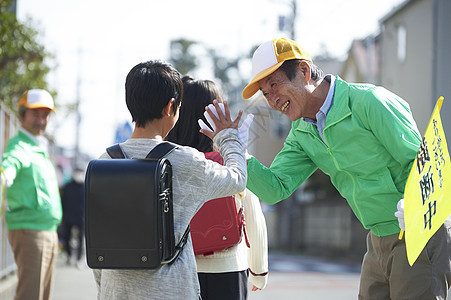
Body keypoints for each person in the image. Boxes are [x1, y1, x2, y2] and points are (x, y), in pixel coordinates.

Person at [225, 37, 450, 299]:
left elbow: (423, 162)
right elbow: (275, 188)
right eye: (265, 94)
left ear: (304, 71)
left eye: (274, 85)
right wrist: (238, 153)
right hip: (376, 239)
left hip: (420, 232)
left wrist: (414, 206)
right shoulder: (301, 132)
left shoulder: (369, 101)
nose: (272, 100)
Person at [92, 60, 248, 300]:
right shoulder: (185, 161)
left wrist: (106, 291)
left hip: (116, 291)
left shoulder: (103, 162)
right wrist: (227, 137)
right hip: (172, 292)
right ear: (170, 107)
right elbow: (237, 178)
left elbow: (97, 241)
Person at [166, 75, 268, 299]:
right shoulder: (232, 158)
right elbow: (253, 215)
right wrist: (259, 271)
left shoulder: (167, 161)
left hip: (178, 268)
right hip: (229, 268)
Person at [1, 89, 62, 300]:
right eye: (36, 113)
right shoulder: (19, 145)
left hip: (46, 231)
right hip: (30, 230)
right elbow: (10, 162)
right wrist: (5, 174)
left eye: (45, 115)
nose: (42, 120)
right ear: (21, 115)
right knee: (30, 295)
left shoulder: (39, 146)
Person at [60, 168, 85, 267]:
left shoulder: (85, 187)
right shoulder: (68, 187)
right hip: (68, 216)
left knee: (80, 238)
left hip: (81, 217)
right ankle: (69, 256)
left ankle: (79, 258)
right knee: (66, 236)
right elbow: (63, 201)